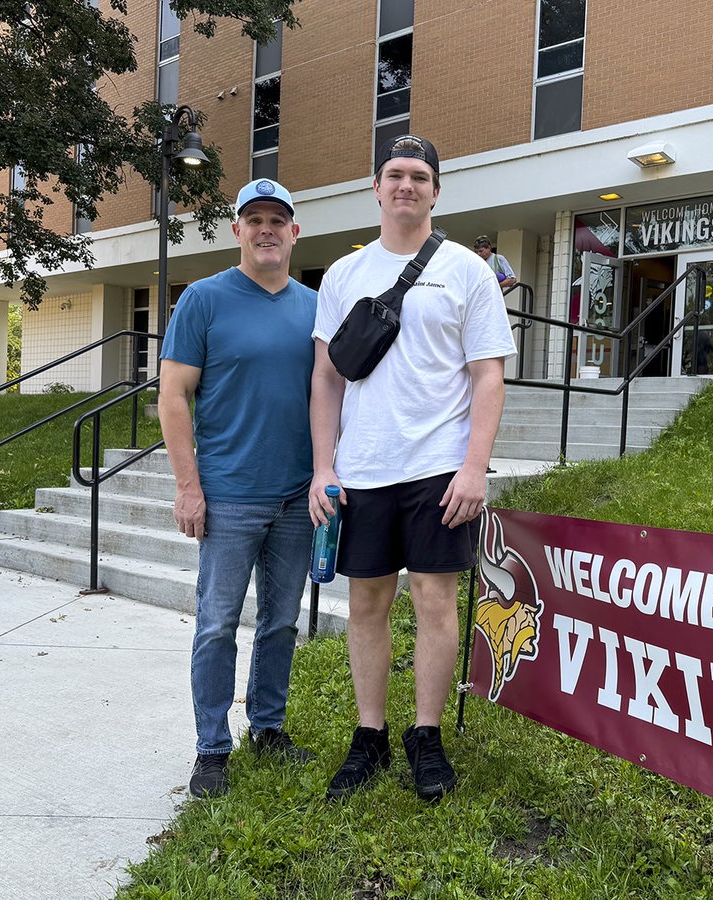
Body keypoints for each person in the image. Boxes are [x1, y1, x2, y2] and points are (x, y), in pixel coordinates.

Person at [309, 135, 516, 801]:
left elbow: (488, 376)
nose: (406, 185)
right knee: (367, 599)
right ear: (375, 187)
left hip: (438, 467)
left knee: (434, 599)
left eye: (419, 176)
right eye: (395, 174)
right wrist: (322, 468)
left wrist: (475, 467)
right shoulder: (344, 275)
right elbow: (326, 378)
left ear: (435, 190)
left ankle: (425, 735)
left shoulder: (467, 270)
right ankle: (368, 735)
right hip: (363, 467)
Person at [158, 178, 317, 798]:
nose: (267, 229)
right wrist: (187, 486)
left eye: (279, 219)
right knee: (217, 624)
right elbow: (173, 397)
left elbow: (329, 397)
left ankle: (269, 728)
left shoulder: (313, 307)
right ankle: (211, 749)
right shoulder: (202, 300)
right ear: (238, 231)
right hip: (228, 495)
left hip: (297, 497)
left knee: (280, 623)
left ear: (294, 232)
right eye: (255, 220)